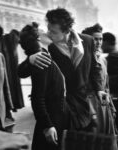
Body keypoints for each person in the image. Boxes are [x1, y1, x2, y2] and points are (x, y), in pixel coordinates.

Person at [18, 8, 105, 132]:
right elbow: (21, 72)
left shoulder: (87, 41)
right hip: (56, 111)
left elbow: (94, 68)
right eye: (48, 29)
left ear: (67, 30)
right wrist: (30, 60)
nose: (48, 33)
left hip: (82, 108)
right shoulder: (45, 45)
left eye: (53, 31)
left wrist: (99, 89)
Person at [19, 22, 69, 150]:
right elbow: (37, 98)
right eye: (43, 30)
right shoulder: (42, 60)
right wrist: (48, 126)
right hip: (51, 121)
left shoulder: (46, 55)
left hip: (55, 118)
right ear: (38, 39)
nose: (47, 32)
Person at [82, 23, 118, 150]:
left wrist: (111, 106)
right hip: (90, 104)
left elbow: (106, 84)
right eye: (95, 39)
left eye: (100, 39)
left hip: (103, 103)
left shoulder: (103, 59)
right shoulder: (83, 59)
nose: (98, 42)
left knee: (107, 139)